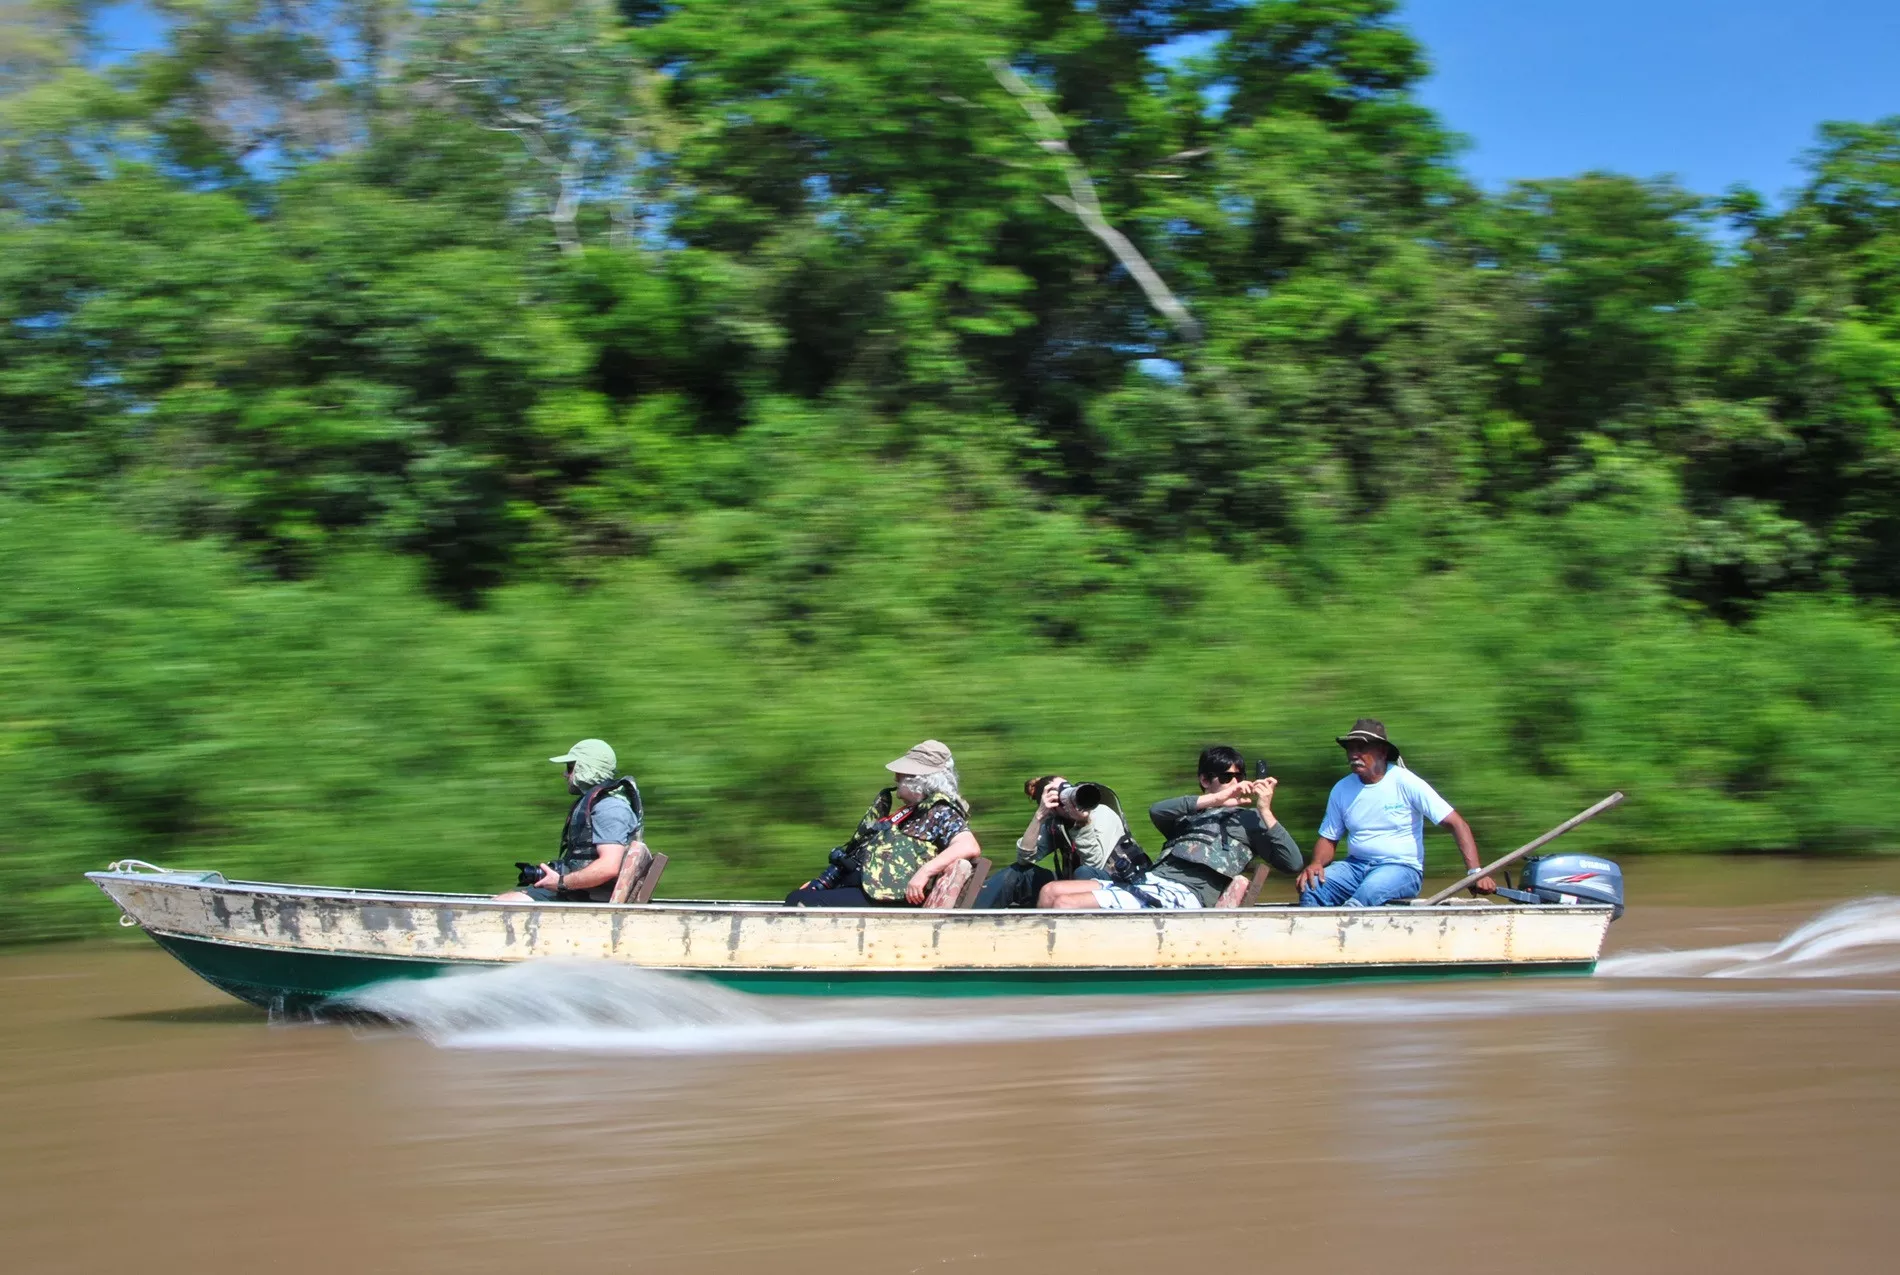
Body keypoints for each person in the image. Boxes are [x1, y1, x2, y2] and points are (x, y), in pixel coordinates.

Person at [1038, 746, 1301, 910]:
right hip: (1148, 882)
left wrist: (1266, 810)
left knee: (1065, 903)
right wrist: (1216, 800)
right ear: (1205, 780)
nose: (1234, 783)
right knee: (1050, 891)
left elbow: (1293, 862)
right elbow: (1157, 810)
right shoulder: (1188, 816)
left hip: (1185, 895)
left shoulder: (1251, 820)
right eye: (1225, 777)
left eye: (1238, 777)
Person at [1296, 718, 1494, 908]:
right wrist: (1316, 863)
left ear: (1382, 752)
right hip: (1355, 866)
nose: (1354, 754)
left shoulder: (1406, 782)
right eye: (1351, 748)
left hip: (1401, 869)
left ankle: (1345, 934)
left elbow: (1457, 824)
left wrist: (1476, 872)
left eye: (1362, 748)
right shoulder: (1341, 789)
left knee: (1369, 892)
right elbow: (1328, 838)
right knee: (1312, 885)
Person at [785, 740, 982, 907]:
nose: (896, 778)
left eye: (902, 774)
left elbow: (968, 845)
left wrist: (924, 872)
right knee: (799, 897)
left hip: (888, 899)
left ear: (919, 780)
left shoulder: (940, 812)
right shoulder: (911, 813)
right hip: (870, 891)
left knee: (798, 903)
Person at [496, 738, 645, 903]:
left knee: (500, 905)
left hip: (588, 899)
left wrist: (560, 882)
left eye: (570, 768)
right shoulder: (599, 803)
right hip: (579, 893)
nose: (565, 774)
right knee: (504, 899)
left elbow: (608, 867)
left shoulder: (609, 808)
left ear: (586, 768)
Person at [973, 775, 1145, 908]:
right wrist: (1039, 817)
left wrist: (1083, 823)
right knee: (1019, 874)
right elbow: (1024, 858)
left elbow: (1095, 866)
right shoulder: (1055, 823)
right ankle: (967, 917)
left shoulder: (1101, 812)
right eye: (1057, 794)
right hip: (1076, 886)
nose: (1066, 794)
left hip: (1122, 885)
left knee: (1084, 873)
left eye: (1067, 787)